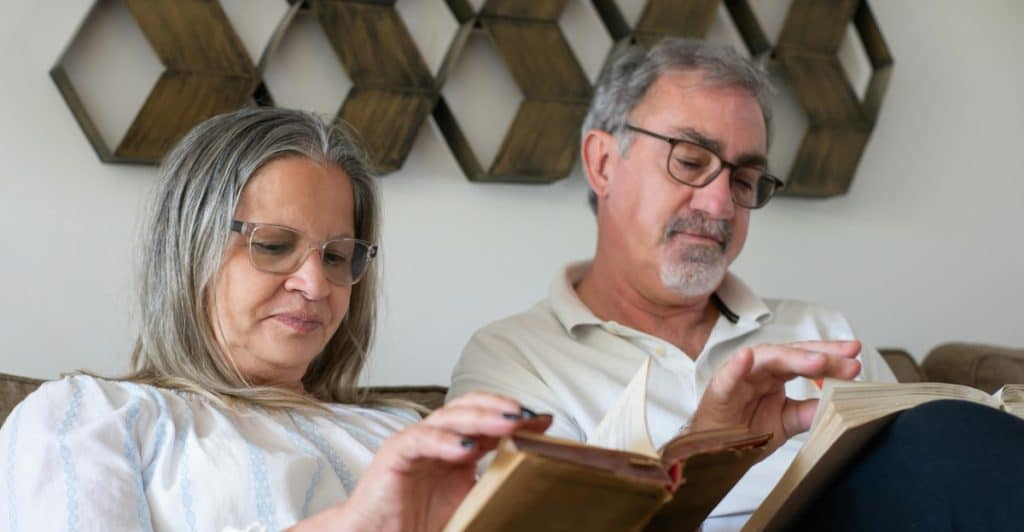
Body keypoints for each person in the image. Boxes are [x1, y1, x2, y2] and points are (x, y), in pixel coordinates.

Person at [0, 107, 551, 531]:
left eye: (336, 257)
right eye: (273, 245)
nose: (315, 285)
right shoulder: (89, 417)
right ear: (188, 250)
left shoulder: (405, 431)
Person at [446, 38, 897, 530]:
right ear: (602, 163)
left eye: (744, 179)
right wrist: (705, 448)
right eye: (689, 161)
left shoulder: (824, 334)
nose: (720, 205)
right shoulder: (515, 360)